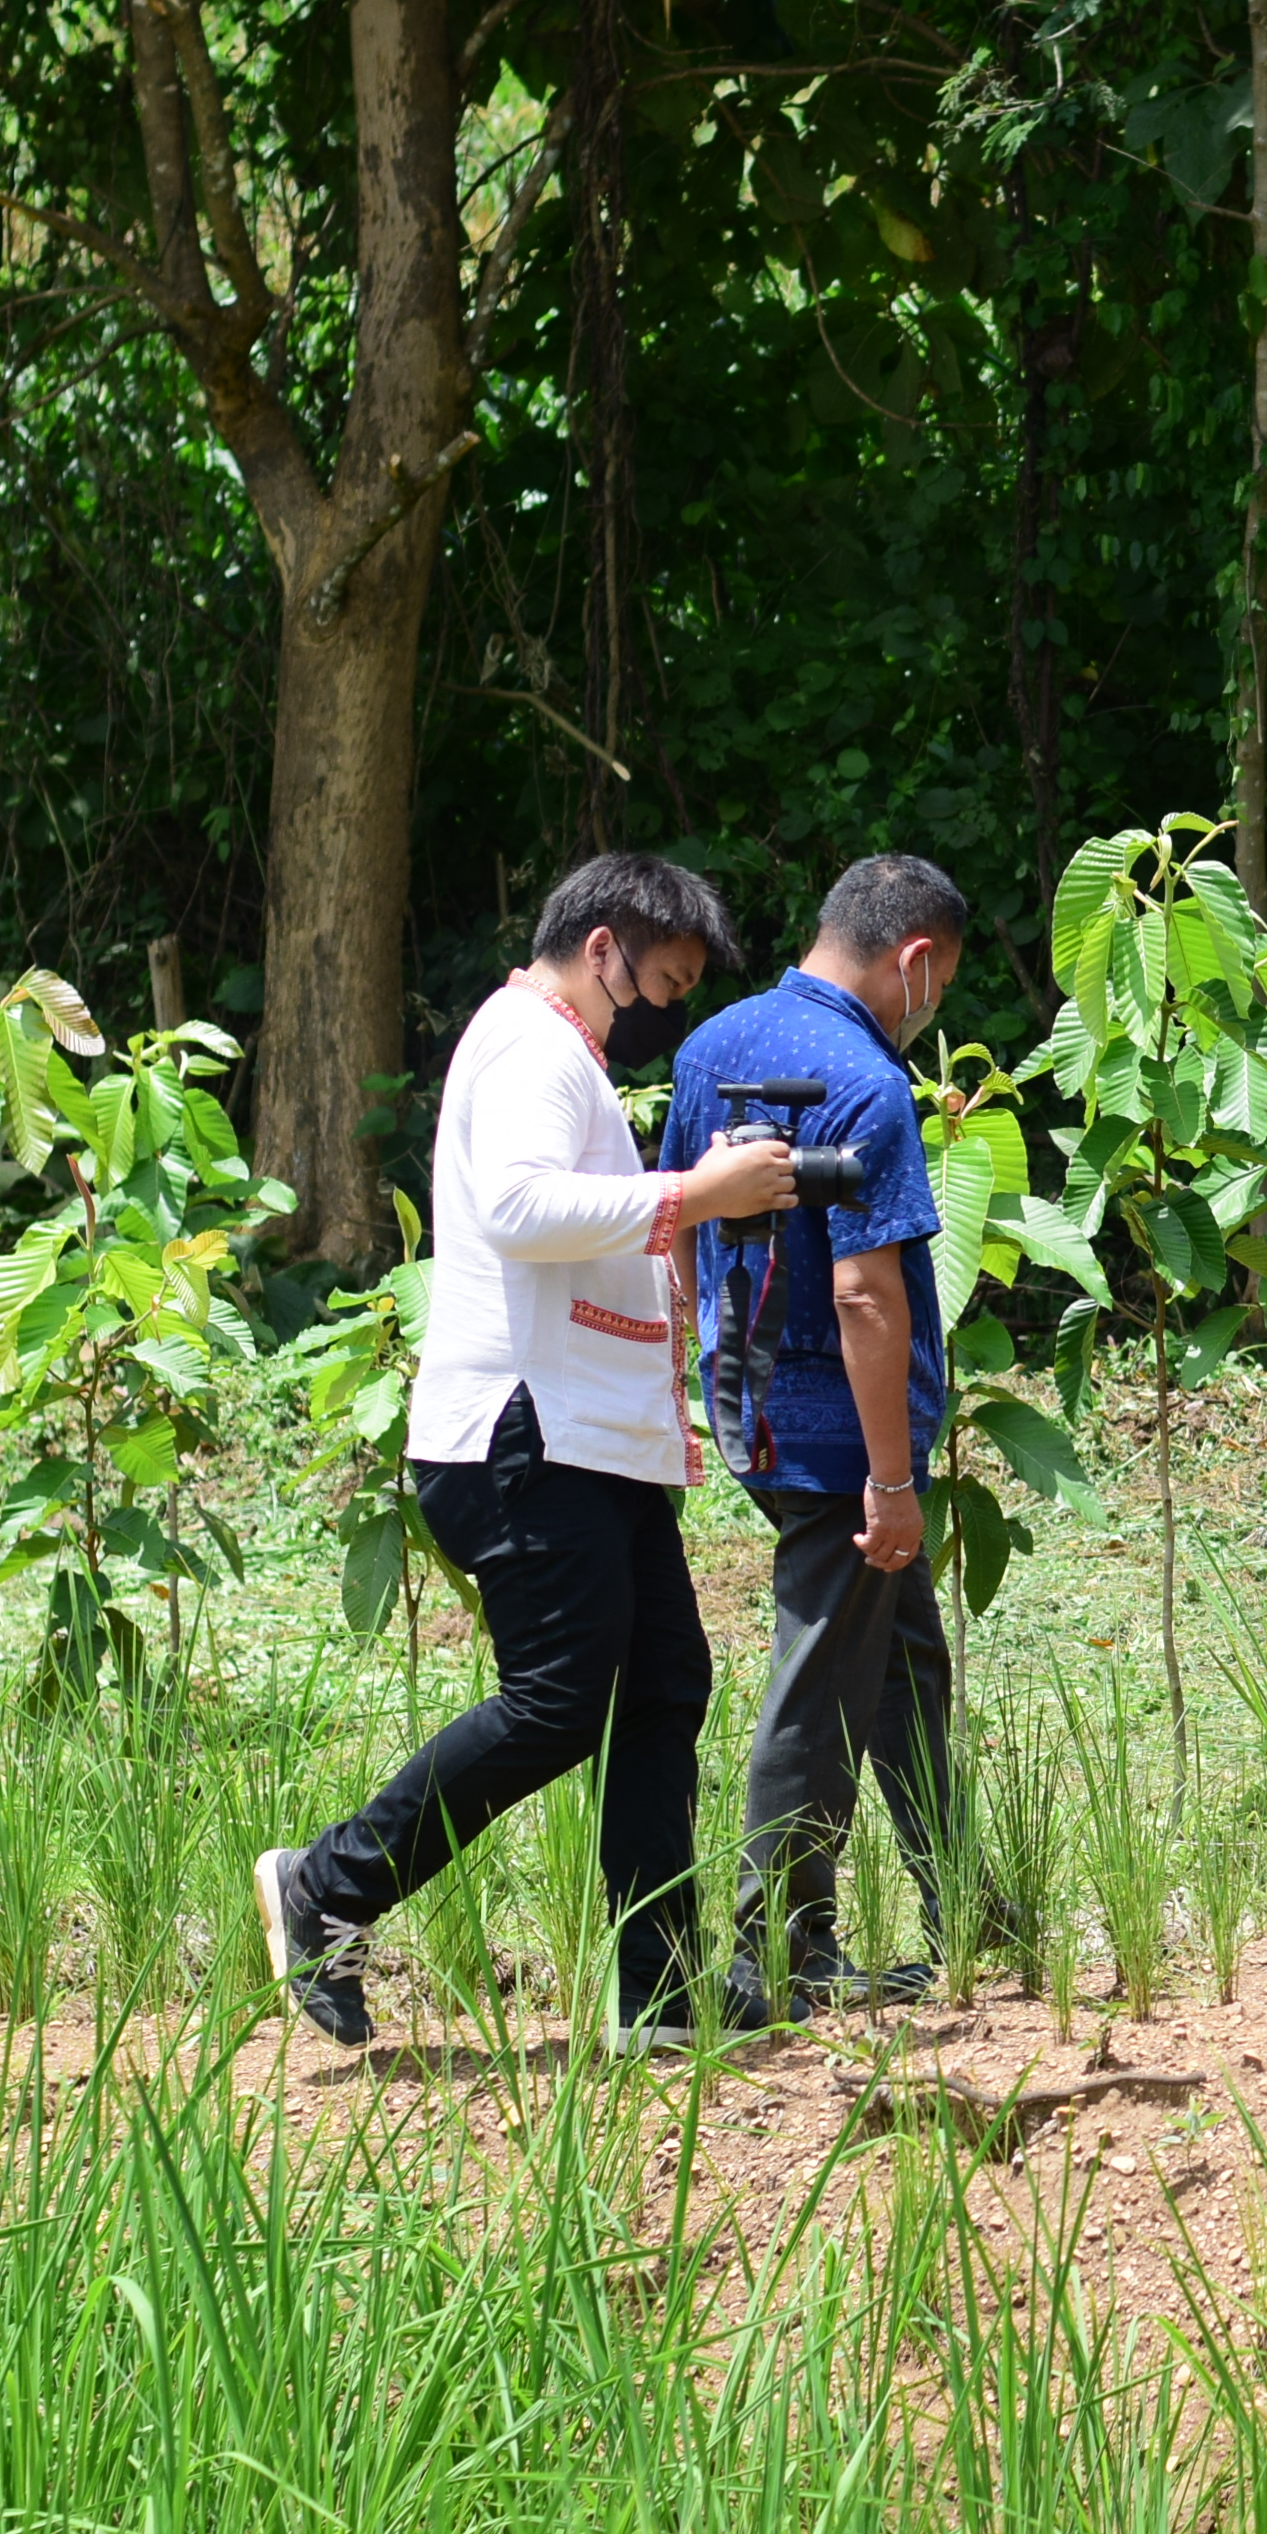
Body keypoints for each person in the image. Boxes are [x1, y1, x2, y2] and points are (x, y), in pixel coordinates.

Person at [255, 855, 797, 2053]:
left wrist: (699, 1205)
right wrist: (696, 1193)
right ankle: (324, 1888)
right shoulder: (529, 1047)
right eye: (662, 981)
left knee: (660, 1686)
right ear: (602, 950)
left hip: (584, 1441)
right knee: (560, 1702)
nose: (666, 1010)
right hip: (522, 1435)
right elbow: (515, 1209)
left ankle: (656, 1994)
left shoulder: (565, 1057)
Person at [664, 854, 981, 2020]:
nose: (930, 1004)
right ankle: (779, 1954)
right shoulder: (869, 1083)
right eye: (935, 981)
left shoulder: (710, 1049)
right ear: (913, 961)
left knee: (902, 1658)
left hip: (747, 1405)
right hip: (840, 1440)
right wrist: (890, 1476)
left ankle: (962, 1911)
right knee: (817, 1680)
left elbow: (678, 1230)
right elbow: (865, 1296)